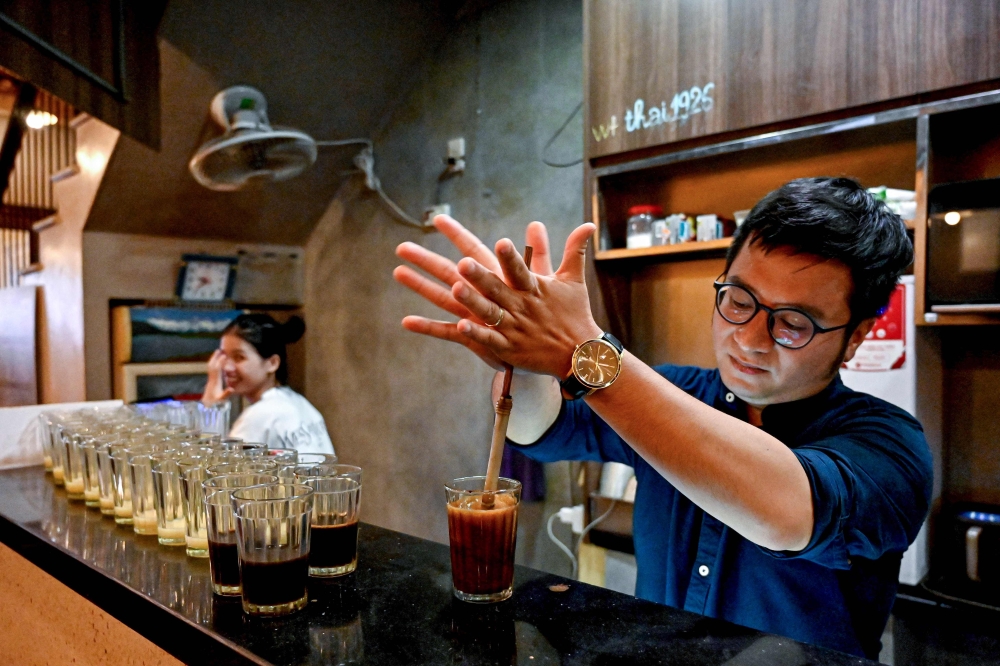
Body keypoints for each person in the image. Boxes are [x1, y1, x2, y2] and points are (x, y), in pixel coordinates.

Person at [394, 177, 932, 659]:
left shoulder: (891, 446)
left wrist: (581, 353)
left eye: (792, 323)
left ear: (856, 336)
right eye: (739, 299)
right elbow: (539, 429)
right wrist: (528, 358)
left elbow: (788, 510)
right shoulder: (672, 392)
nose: (748, 339)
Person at [201, 313, 334, 455]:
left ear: (272, 363)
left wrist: (210, 409)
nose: (226, 367)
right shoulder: (300, 402)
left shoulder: (260, 415)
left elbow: (218, 470)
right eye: (223, 357)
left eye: (239, 357)